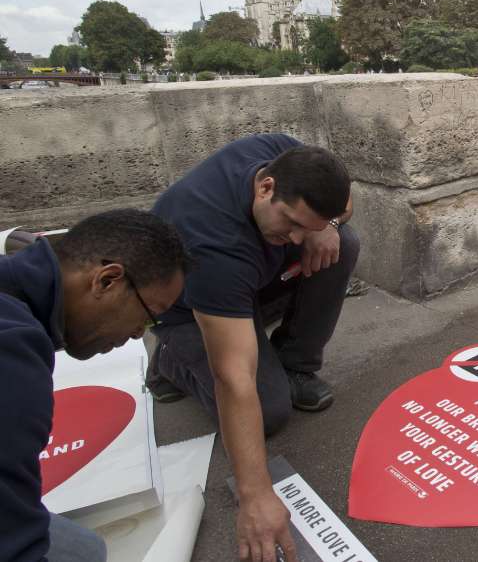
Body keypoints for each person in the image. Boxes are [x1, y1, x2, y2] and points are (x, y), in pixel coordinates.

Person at [146, 134, 358, 562]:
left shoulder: (281, 156)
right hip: (188, 309)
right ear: (265, 188)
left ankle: (295, 364)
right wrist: (256, 495)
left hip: (249, 282)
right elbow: (232, 376)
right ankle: (169, 359)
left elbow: (345, 201)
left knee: (344, 243)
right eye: (292, 224)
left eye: (305, 226)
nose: (299, 237)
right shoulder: (213, 242)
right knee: (267, 410)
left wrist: (327, 228)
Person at [1, 210, 188, 562]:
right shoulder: (12, 357)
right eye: (148, 315)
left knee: (83, 549)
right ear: (107, 280)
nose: (139, 333)